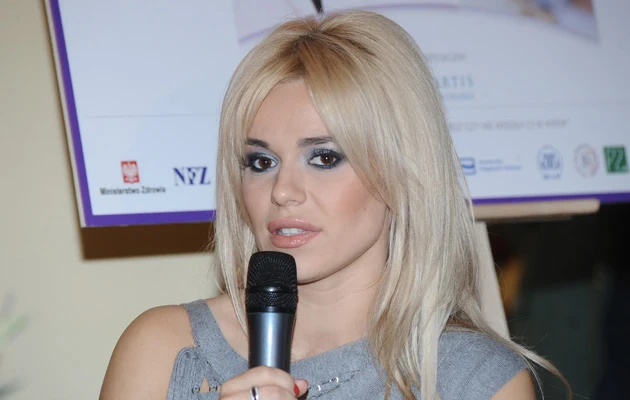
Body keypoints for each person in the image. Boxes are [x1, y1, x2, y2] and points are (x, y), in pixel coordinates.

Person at [99, 10, 567, 400]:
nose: (283, 190)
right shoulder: (163, 349)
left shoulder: (475, 380)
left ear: (402, 172)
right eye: (261, 161)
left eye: (324, 157)